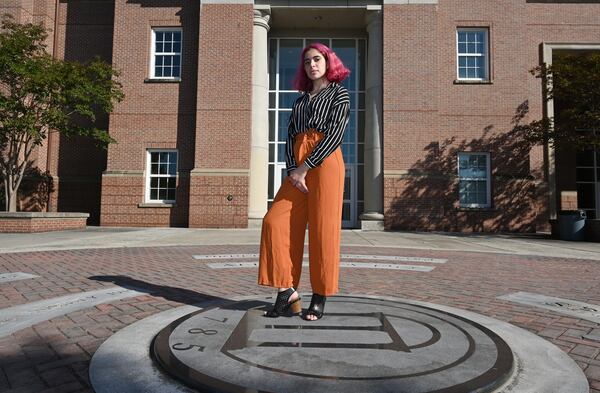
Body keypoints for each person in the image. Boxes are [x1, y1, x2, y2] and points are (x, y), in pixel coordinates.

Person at [258, 43, 351, 321]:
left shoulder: (339, 94)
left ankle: (320, 295)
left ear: (328, 62)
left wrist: (305, 167)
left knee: (323, 230)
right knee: (274, 221)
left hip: (326, 162)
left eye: (317, 59)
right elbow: (289, 138)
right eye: (308, 61)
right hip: (297, 165)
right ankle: (287, 290)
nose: (312, 65)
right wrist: (292, 170)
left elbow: (336, 134)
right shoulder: (299, 100)